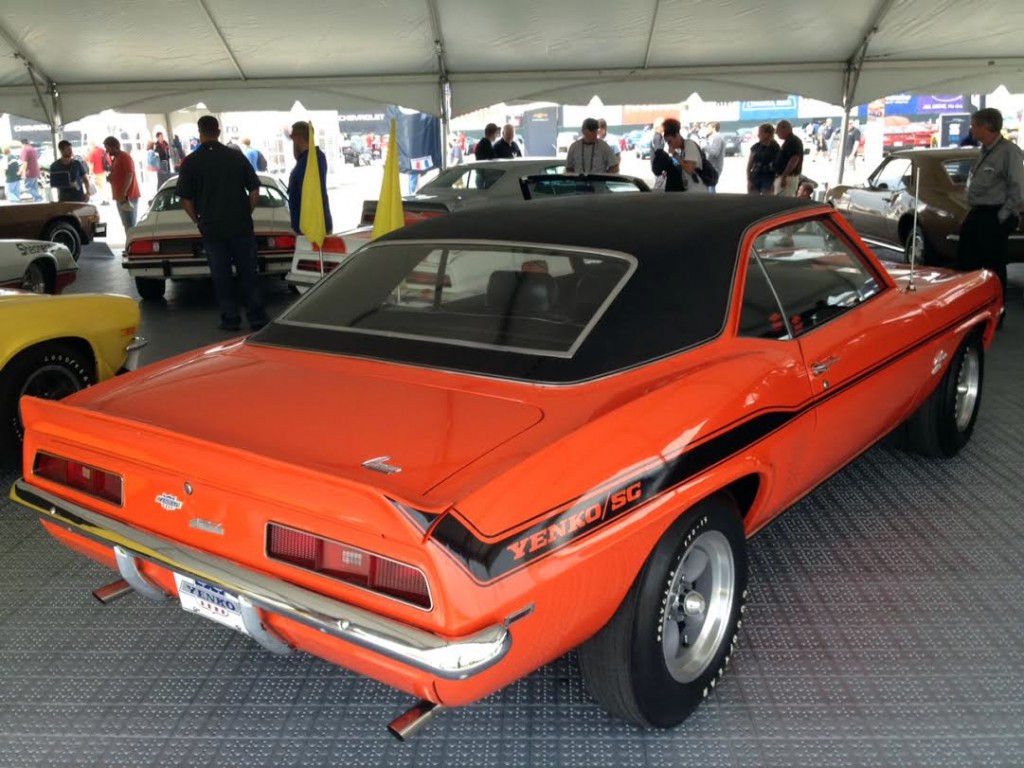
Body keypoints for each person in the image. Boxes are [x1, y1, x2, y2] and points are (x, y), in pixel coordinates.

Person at [176, 115, 269, 332]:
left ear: (199, 134)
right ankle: (256, 317)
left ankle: (230, 318)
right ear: (218, 132)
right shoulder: (236, 157)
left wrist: (198, 220)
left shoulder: (191, 162)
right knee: (248, 272)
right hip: (241, 225)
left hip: (211, 228)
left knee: (221, 275)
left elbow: (185, 200)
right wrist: (247, 211)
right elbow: (255, 189)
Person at [956, 107, 1024, 322]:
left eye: (974, 125)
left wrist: (1003, 216)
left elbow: (1018, 187)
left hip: (994, 214)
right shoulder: (985, 150)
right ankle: (974, 309)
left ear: (987, 127)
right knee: (967, 262)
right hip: (978, 212)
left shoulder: (1008, 152)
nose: (971, 130)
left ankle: (997, 312)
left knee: (994, 266)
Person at [287, 121, 333, 238]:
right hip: (310, 224)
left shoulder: (310, 160)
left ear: (298, 138)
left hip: (311, 226)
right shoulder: (312, 158)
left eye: (293, 139)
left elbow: (308, 193)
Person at [103, 136, 141, 228]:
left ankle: (131, 242)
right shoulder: (116, 158)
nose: (107, 151)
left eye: (107, 148)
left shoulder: (125, 157)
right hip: (120, 197)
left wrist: (124, 192)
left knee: (130, 225)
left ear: (114, 147)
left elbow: (129, 175)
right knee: (126, 224)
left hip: (128, 197)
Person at [747, 123, 779, 195]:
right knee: (753, 200)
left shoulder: (775, 148)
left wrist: (775, 182)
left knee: (767, 200)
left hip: (769, 177)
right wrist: (749, 179)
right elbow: (749, 164)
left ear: (767, 134)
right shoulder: (756, 147)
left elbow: (778, 165)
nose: (758, 135)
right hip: (755, 176)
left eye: (760, 133)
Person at [773, 120, 804, 196]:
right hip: (785, 176)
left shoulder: (793, 142)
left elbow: (794, 160)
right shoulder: (789, 141)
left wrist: (784, 176)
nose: (776, 132)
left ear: (785, 129)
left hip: (788, 177)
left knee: (784, 199)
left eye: (778, 130)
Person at [702, 121, 726, 193]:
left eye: (708, 127)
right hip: (712, 166)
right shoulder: (713, 137)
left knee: (710, 187)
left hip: (714, 167)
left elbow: (715, 153)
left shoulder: (717, 138)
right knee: (710, 187)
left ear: (713, 128)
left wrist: (704, 147)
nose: (706, 129)